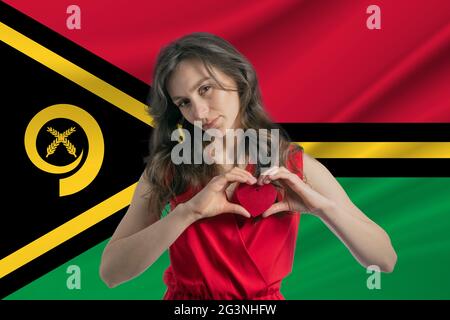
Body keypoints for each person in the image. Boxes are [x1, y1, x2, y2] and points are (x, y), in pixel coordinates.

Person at [99, 32, 397, 299]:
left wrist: (323, 209)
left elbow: (384, 259)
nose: (199, 112)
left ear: (238, 79)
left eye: (205, 89)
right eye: (184, 102)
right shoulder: (169, 168)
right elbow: (111, 273)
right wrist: (187, 212)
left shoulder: (293, 164)